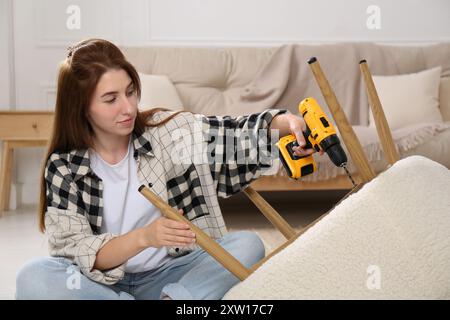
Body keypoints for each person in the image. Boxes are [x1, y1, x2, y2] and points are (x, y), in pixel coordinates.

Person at [15, 39, 316, 300]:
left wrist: (283, 124)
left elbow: (229, 134)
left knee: (246, 244)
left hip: (171, 275)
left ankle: (177, 300)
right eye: (111, 99)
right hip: (100, 285)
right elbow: (79, 252)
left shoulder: (168, 132)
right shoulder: (64, 166)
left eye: (130, 92)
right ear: (81, 107)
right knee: (34, 277)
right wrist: (145, 237)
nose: (128, 108)